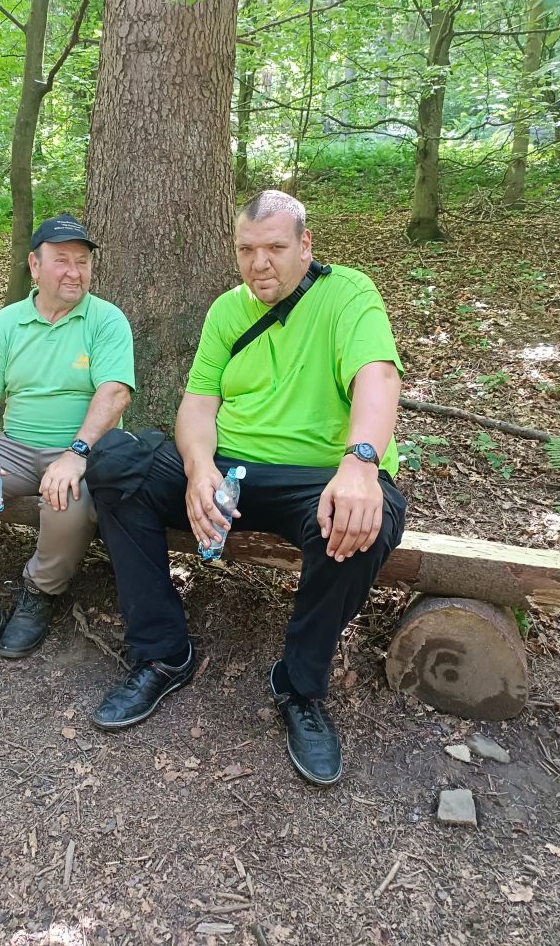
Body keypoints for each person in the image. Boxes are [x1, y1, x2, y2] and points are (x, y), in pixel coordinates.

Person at [86, 190, 406, 787]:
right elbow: (198, 403)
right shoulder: (227, 310)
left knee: (363, 519)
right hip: (228, 468)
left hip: (318, 476)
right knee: (115, 465)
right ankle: (163, 654)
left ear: (305, 246)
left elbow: (378, 376)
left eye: (276, 248)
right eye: (247, 250)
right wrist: (198, 469)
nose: (260, 264)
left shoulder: (348, 294)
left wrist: (361, 463)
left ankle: (299, 687)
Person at [0, 214, 135, 681]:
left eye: (82, 261)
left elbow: (115, 392)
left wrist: (76, 454)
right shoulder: (7, 323)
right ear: (35, 266)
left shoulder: (106, 319)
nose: (74, 271)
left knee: (69, 502)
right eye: (62, 261)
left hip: (82, 451)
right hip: (14, 447)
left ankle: (39, 593)